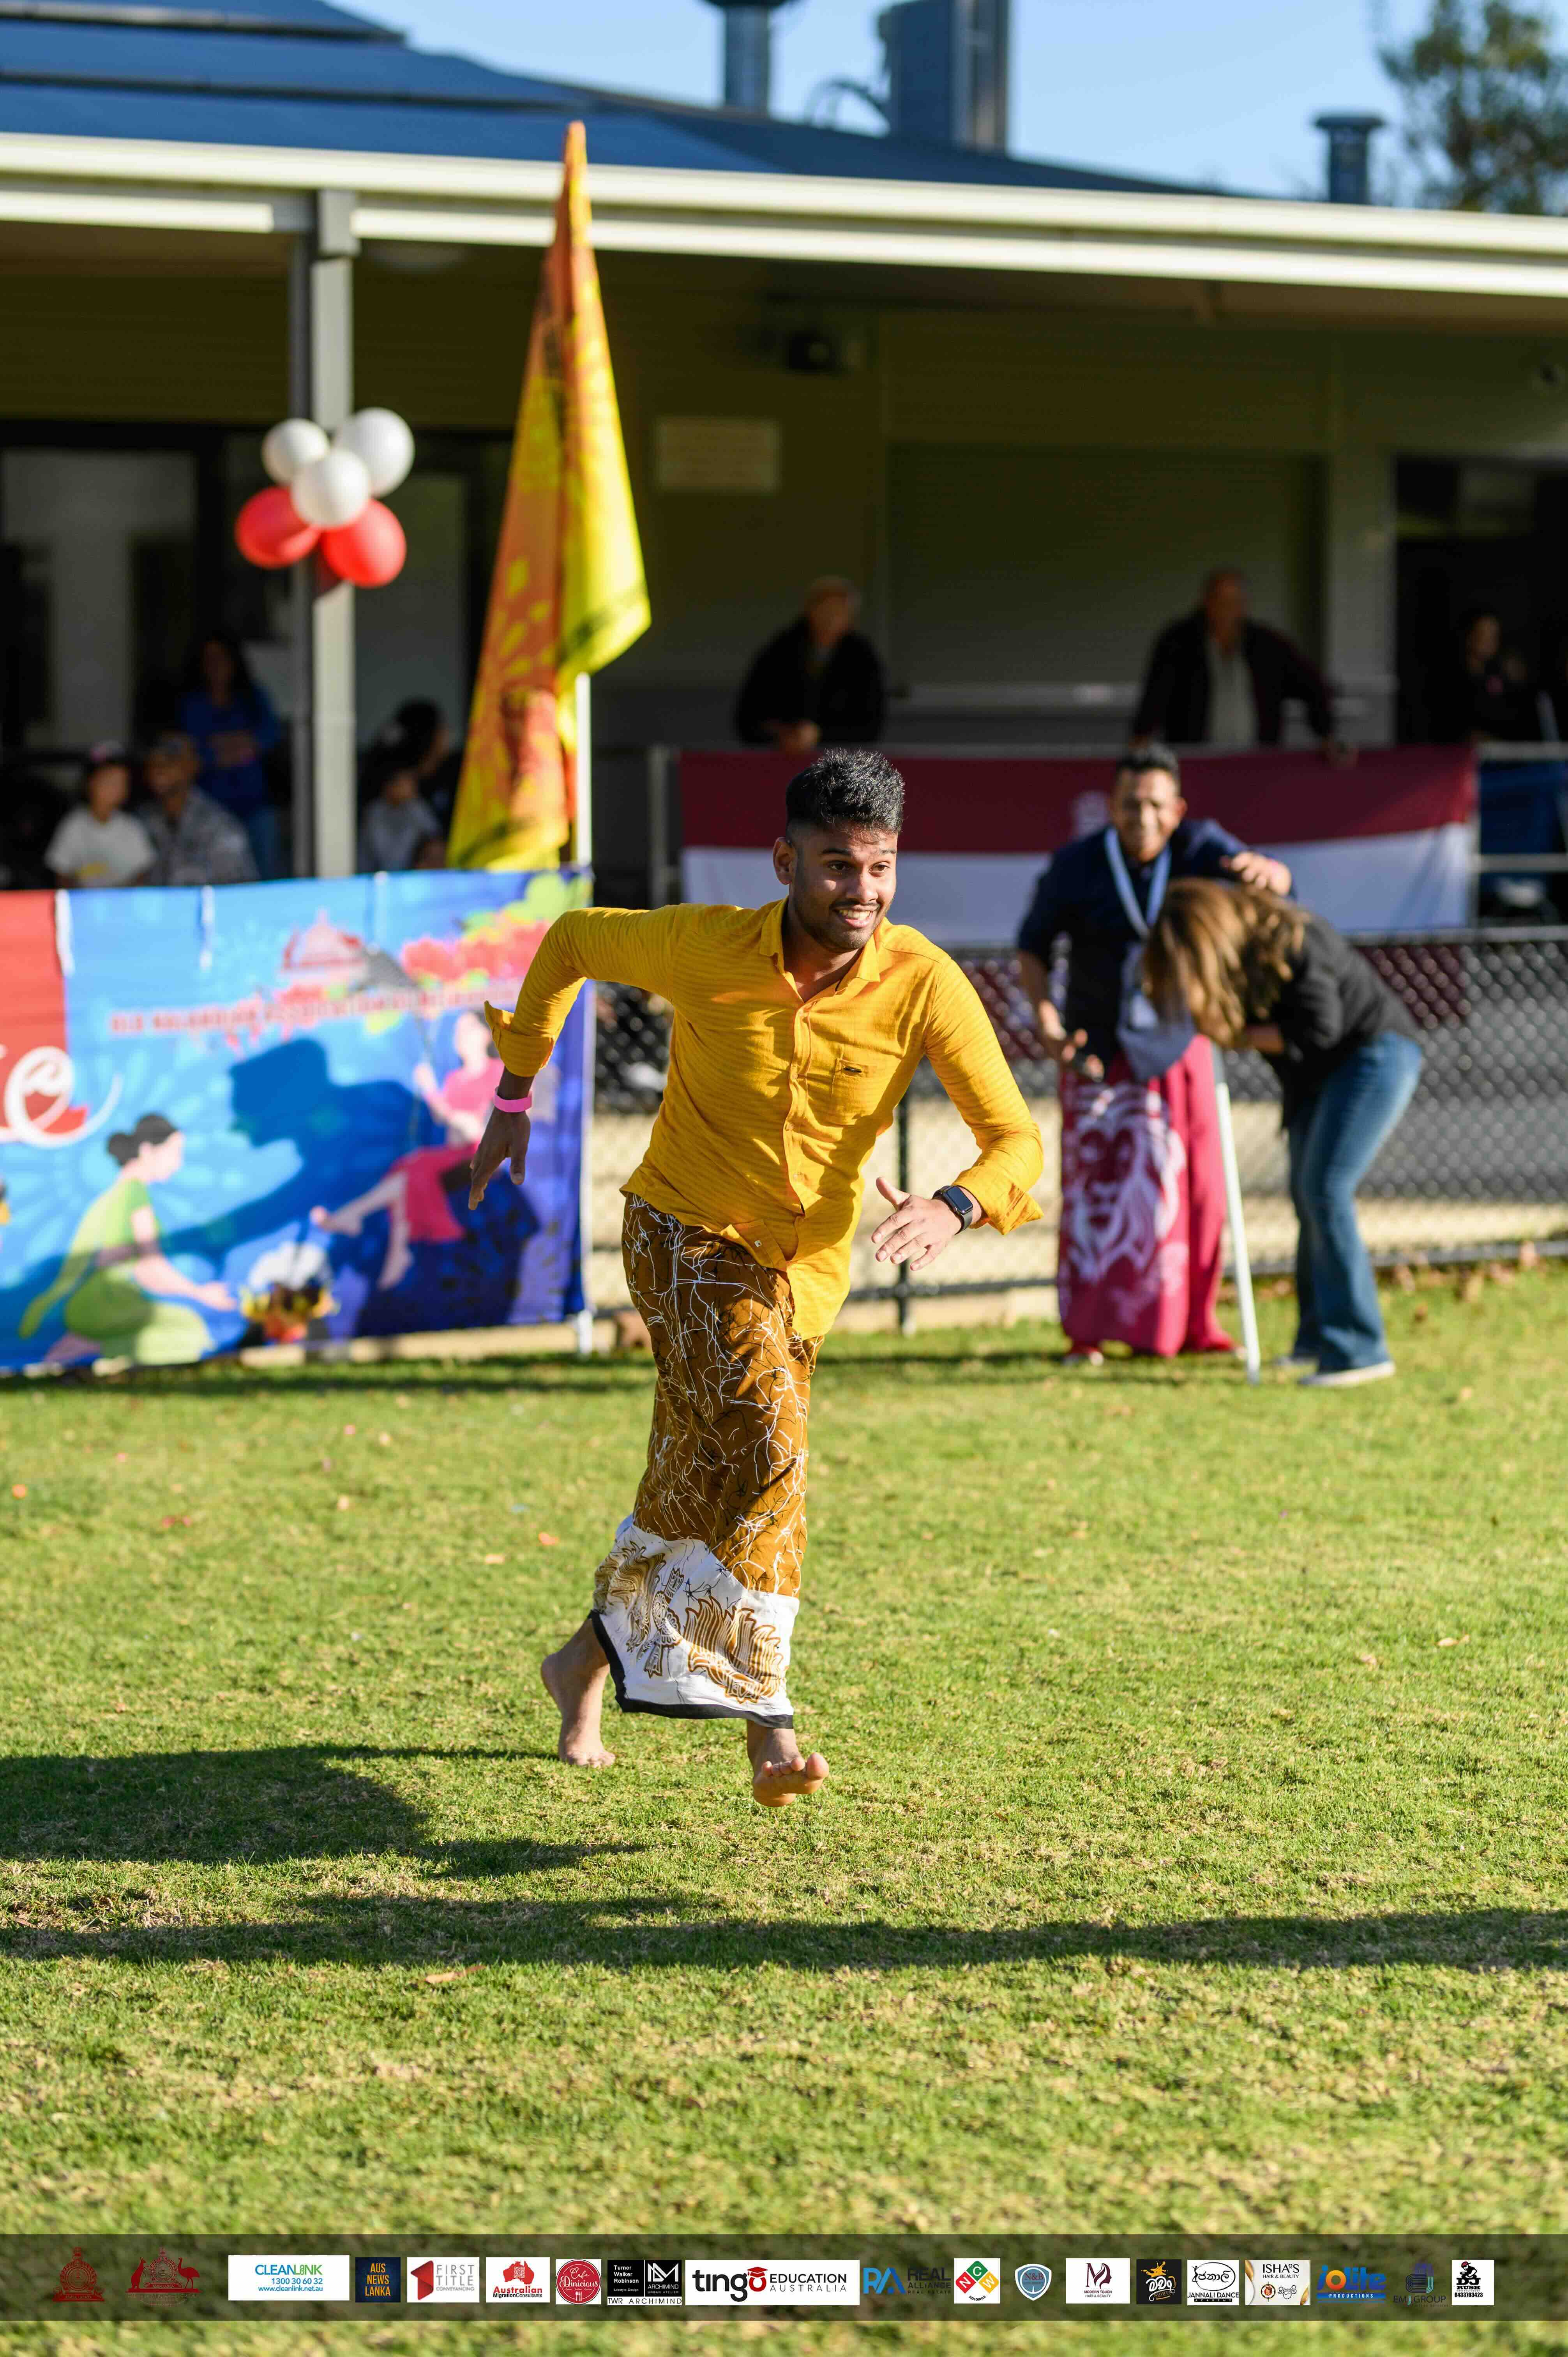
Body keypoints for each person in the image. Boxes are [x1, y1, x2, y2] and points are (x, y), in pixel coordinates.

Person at [468, 748, 1043, 1804]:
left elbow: (1014, 1141)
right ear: (784, 861)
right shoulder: (702, 945)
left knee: (697, 1479)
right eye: (835, 867)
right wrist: (516, 1093)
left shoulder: (923, 983)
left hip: (802, 1278)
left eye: (879, 868)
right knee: (772, 1448)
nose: (861, 892)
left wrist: (953, 1204)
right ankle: (767, 1723)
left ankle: (579, 1666)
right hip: (679, 1235)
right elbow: (570, 941)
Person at [1016, 745, 1292, 1363]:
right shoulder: (1077, 865)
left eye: (1154, 806)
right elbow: (1032, 946)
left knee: (1192, 1193)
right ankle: (1088, 1334)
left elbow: (1269, 878)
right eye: (1130, 804)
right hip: (1098, 1051)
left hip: (1178, 1047)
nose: (1142, 817)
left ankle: (1188, 1328)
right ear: (1111, 807)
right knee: (1098, 1195)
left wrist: (1271, 874)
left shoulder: (1199, 847)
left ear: (1176, 811)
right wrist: (1047, 1022)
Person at [1144, 879, 1423, 1388]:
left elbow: (1322, 1030)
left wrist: (1236, 1035)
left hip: (1374, 1057)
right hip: (1319, 1078)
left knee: (1326, 1189)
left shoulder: (1295, 938)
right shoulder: (1244, 962)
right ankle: (1315, 1339)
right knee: (1307, 1194)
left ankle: (1359, 1348)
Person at [18, 1115, 234, 1366]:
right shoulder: (133, 1195)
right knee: (190, 1331)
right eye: (175, 1152)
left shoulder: (119, 1194)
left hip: (100, 1300)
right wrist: (201, 1294)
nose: (178, 1163)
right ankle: (95, 1353)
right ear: (147, 1151)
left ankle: (77, 1356)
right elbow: (149, 1267)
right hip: (108, 1300)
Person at [312, 1010, 501, 1290]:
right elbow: (448, 1124)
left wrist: (432, 1094)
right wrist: (435, 1094)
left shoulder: (497, 1072)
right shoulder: (455, 1079)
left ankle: (358, 1221)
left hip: (481, 1155)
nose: (459, 1038)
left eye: (467, 1030)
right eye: (457, 1032)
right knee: (409, 1175)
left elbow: (477, 1128)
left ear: (485, 1034)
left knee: (414, 1167)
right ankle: (395, 1254)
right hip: (454, 1154)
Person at [1132, 568, 1344, 756]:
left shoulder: (1268, 645)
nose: (1227, 609)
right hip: (1194, 758)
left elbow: (1312, 685)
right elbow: (1156, 694)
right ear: (1206, 602)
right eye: (1221, 601)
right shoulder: (1178, 643)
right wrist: (1142, 736)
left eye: (1235, 601)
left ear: (1244, 605)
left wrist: (1326, 735)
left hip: (1258, 760)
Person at [734, 576, 885, 753]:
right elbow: (748, 719)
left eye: (839, 611)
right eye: (824, 609)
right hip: (780, 758)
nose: (830, 618)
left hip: (841, 763)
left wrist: (820, 735)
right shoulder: (778, 652)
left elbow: (870, 726)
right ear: (809, 610)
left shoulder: (863, 659)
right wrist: (785, 734)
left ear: (850, 617)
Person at [178, 631, 283, 878]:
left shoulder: (253, 697)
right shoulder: (192, 704)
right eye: (209, 659)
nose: (216, 665)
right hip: (210, 806)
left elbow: (269, 737)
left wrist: (223, 746)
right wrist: (240, 745)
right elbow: (195, 752)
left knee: (263, 876)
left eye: (222, 658)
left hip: (254, 804)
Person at [139, 733, 258, 887]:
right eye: (153, 763)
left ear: (192, 766)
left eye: (169, 763)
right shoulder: (142, 820)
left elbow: (240, 893)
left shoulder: (219, 824)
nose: (159, 770)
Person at [44, 743, 152, 889]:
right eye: (108, 782)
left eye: (121, 783)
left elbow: (142, 873)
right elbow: (61, 871)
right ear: (90, 783)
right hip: (81, 904)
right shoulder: (73, 825)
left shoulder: (131, 827)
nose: (114, 789)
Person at [1434, 609, 1538, 745]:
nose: (1490, 642)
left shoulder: (1499, 674)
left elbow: (1514, 718)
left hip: (1499, 755)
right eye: (1484, 635)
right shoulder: (1451, 678)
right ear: (1469, 636)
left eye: (1494, 636)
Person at [357, 743, 441, 873]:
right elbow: (390, 861)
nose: (412, 788)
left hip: (410, 878)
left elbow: (434, 835)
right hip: (378, 880)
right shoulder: (375, 813)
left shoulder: (415, 806)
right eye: (405, 782)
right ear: (389, 787)